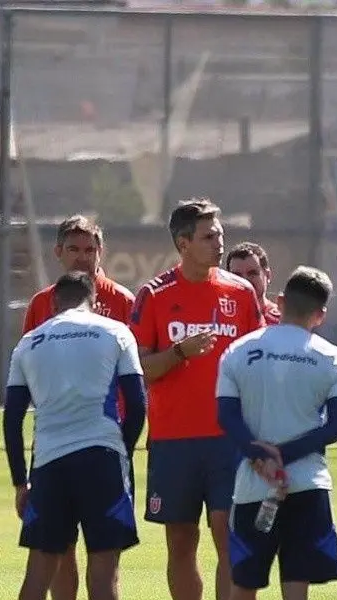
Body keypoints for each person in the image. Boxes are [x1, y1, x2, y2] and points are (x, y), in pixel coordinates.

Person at [130, 198, 265, 600]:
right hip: (173, 439)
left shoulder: (240, 294)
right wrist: (179, 353)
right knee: (181, 539)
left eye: (220, 234)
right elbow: (140, 368)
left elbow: (257, 364)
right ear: (183, 243)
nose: (219, 243)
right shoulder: (154, 294)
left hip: (229, 438)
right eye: (209, 236)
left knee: (228, 532)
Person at [3, 271, 148, 600]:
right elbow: (138, 406)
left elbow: (12, 420)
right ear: (93, 300)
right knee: (104, 575)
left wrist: (19, 481)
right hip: (102, 459)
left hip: (50, 465)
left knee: (38, 572)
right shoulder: (115, 332)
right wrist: (121, 452)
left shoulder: (28, 343)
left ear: (54, 303)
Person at [216, 266, 337, 600]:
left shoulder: (237, 351)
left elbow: (225, 414)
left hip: (253, 484)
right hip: (306, 483)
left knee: (244, 583)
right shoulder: (333, 359)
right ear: (321, 315)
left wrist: (259, 454)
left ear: (280, 301)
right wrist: (285, 455)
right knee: (296, 584)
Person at [224, 242, 281, 325]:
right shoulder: (220, 321)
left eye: (252, 273)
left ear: (268, 275)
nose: (245, 280)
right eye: (237, 275)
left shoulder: (282, 322)